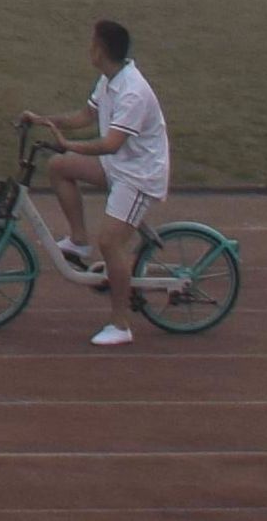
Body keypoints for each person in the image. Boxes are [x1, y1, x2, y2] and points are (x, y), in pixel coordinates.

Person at [19, 18, 167, 347]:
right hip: (121, 165)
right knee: (59, 167)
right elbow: (84, 117)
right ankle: (77, 240)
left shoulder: (133, 93)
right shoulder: (109, 79)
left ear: (101, 51)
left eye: (92, 44)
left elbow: (110, 143)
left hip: (139, 175)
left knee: (111, 243)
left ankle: (121, 324)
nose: (89, 48)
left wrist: (71, 144)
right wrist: (43, 120)